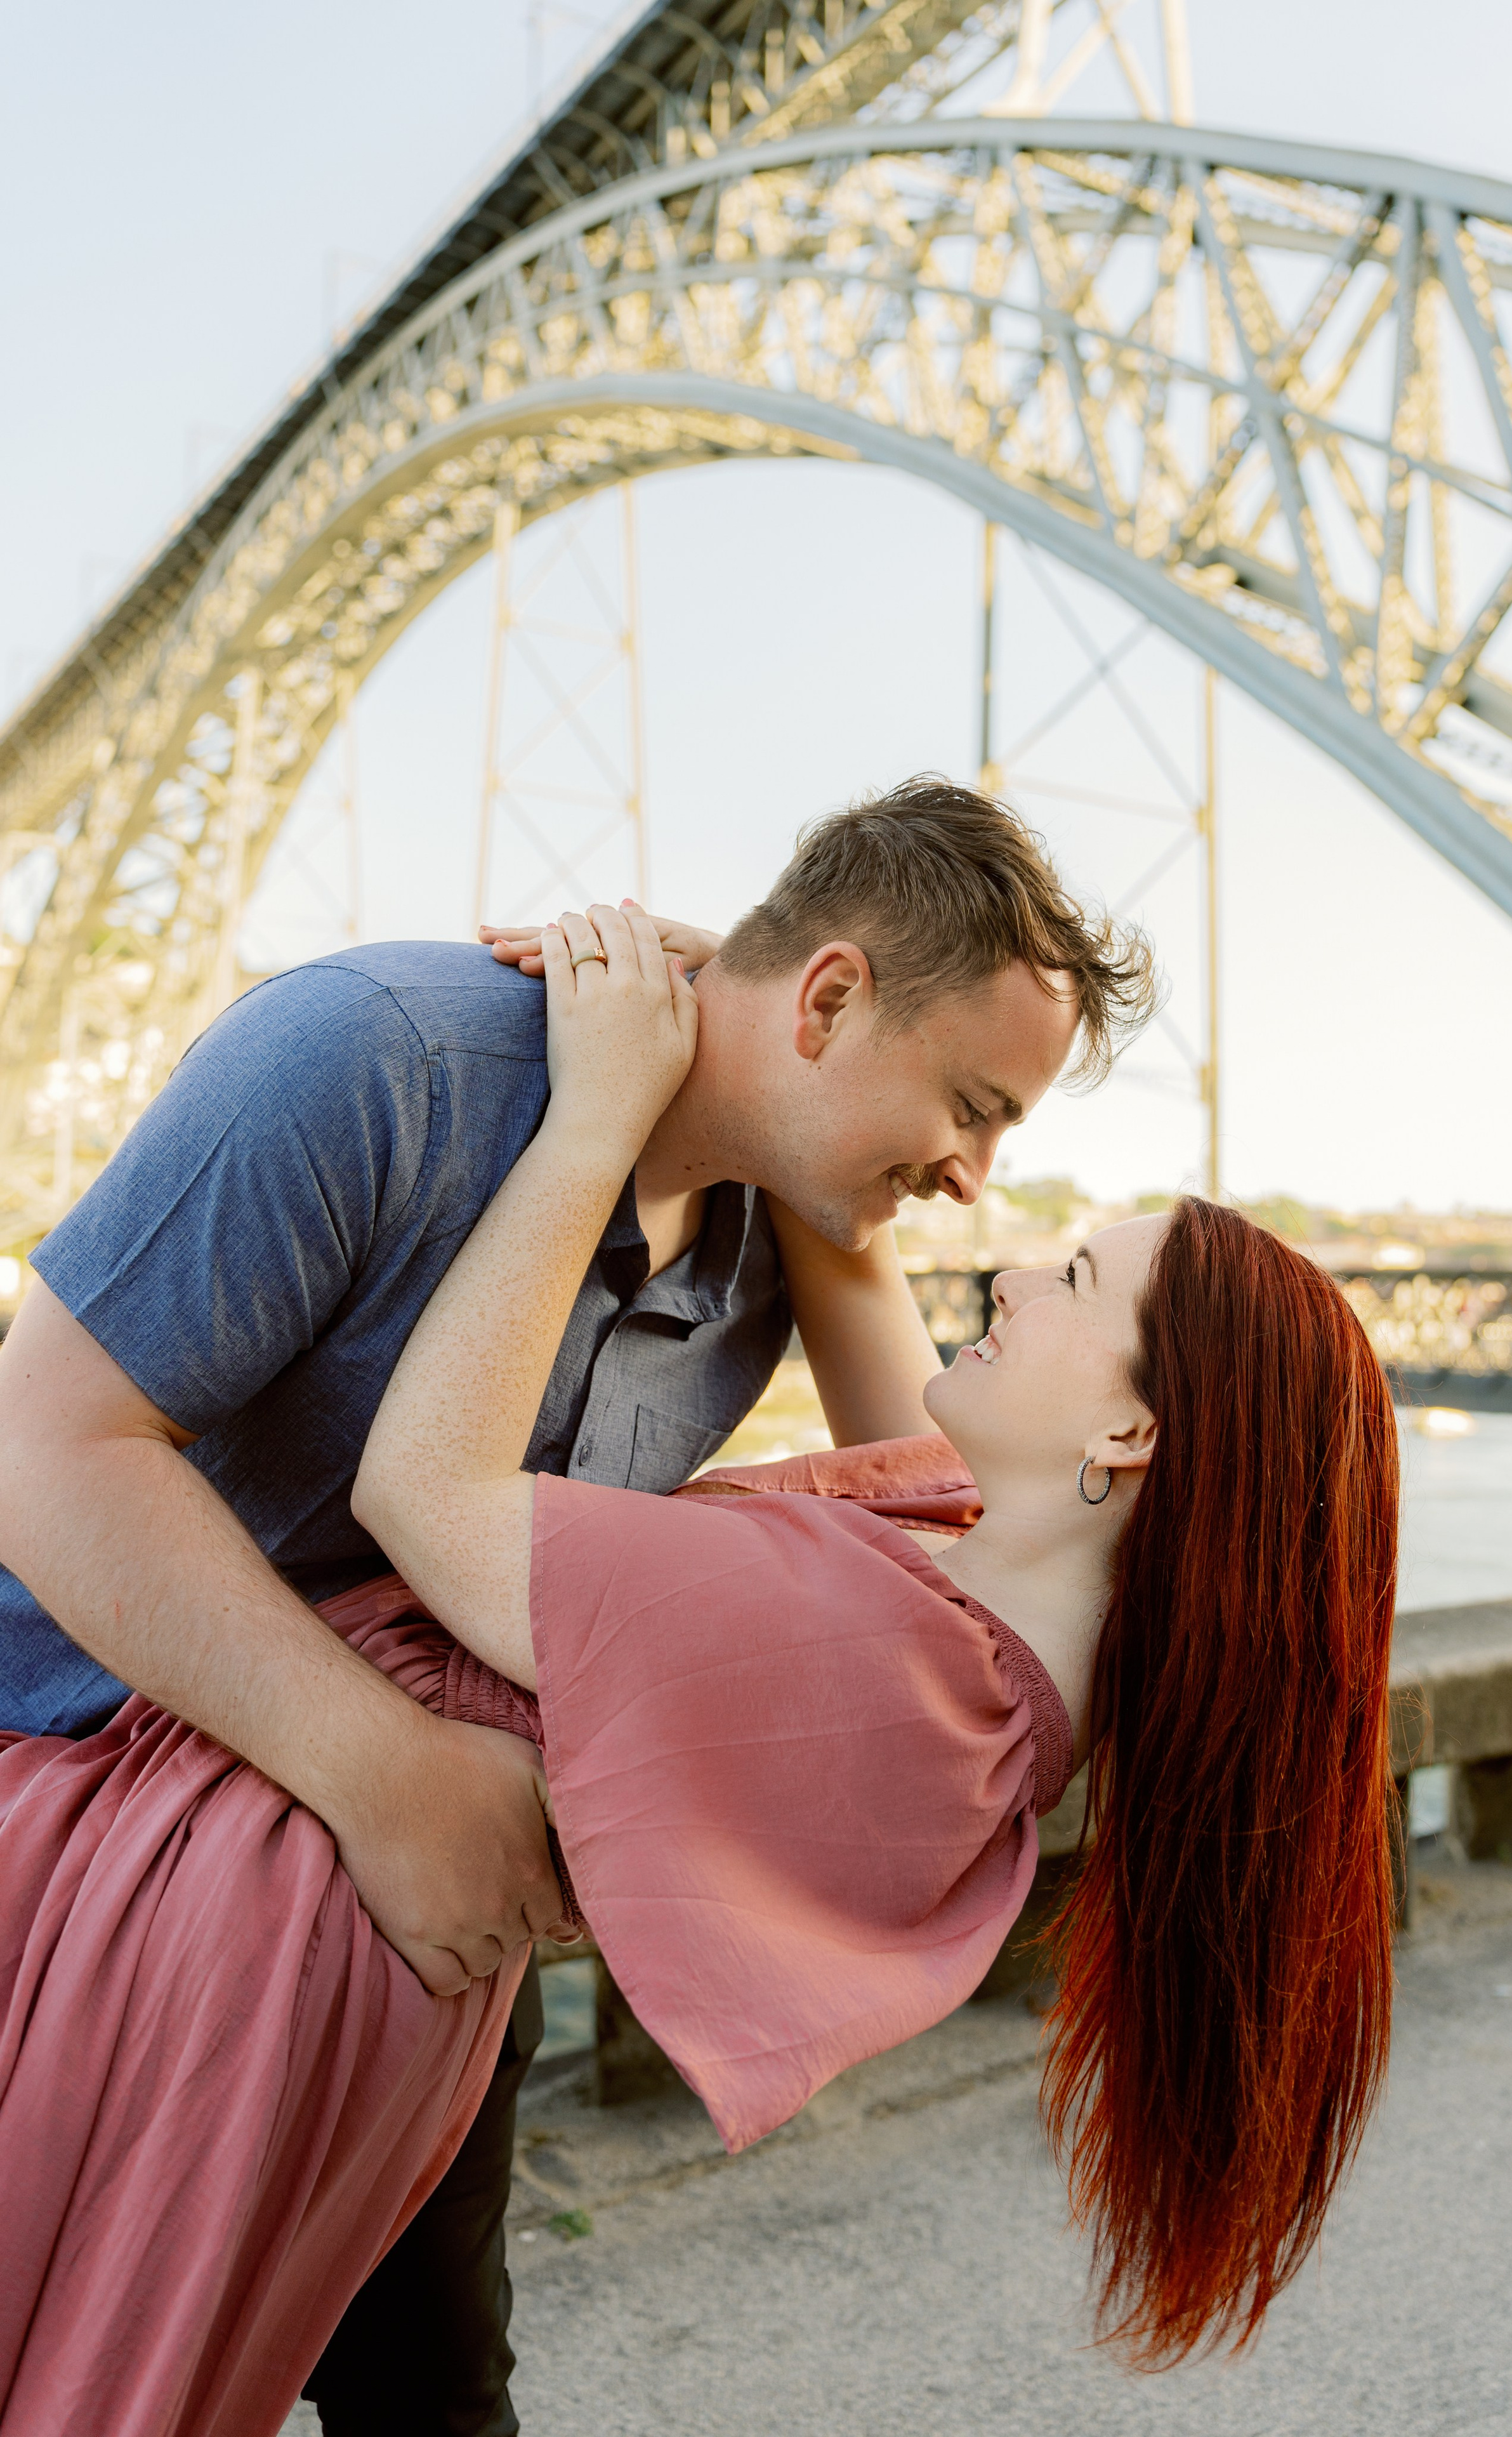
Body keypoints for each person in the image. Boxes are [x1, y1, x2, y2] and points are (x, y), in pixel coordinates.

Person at [0, 904, 1398, 2433]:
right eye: (971, 1110)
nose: (991, 1240)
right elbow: (894, 1418)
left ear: (1126, 1437)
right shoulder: (983, 1609)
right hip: (319, 1906)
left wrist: (611, 1109)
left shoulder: (894, 1660)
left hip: (261, 1935)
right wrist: (765, 1054)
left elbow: (428, 1499)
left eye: (1067, 1278)